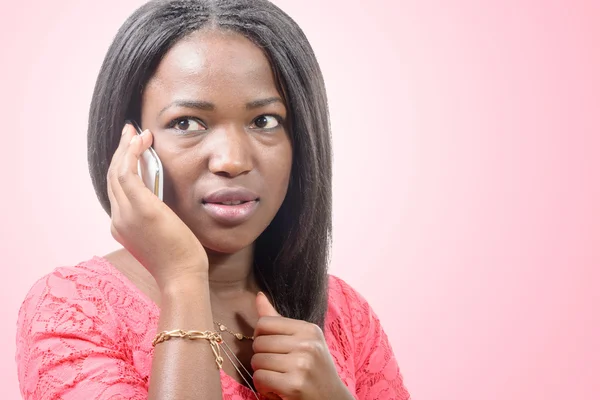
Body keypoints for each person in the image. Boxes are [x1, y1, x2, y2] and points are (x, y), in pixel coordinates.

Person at [15, 0, 410, 399]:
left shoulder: (344, 313)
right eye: (186, 122)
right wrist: (183, 279)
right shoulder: (73, 309)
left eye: (265, 121)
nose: (232, 161)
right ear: (131, 144)